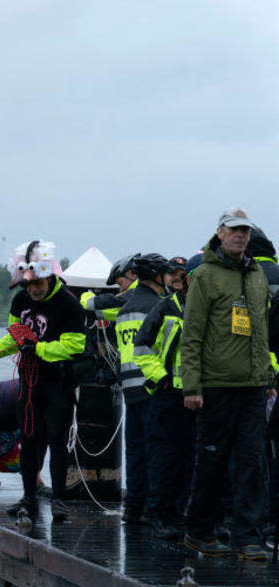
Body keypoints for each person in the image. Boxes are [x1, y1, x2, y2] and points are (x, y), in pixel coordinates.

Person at [181, 208, 272, 562]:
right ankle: (200, 530)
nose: (240, 236)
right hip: (216, 385)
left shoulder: (257, 274)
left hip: (253, 384)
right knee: (212, 462)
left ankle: (247, 537)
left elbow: (261, 330)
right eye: (234, 230)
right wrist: (192, 386)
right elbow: (192, 334)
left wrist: (268, 376)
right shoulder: (205, 275)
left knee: (251, 462)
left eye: (245, 231)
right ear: (219, 232)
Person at [0, 240, 86, 521]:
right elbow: (15, 335)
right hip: (30, 381)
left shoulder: (68, 304)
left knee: (57, 440)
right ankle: (29, 497)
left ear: (49, 277)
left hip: (58, 382)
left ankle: (60, 499)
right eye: (28, 285)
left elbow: (75, 345)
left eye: (38, 284)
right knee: (29, 439)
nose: (33, 290)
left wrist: (39, 348)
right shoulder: (20, 301)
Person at [134, 256, 194, 540]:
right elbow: (142, 347)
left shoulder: (204, 310)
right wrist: (161, 380)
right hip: (167, 395)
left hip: (196, 397)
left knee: (189, 459)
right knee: (164, 458)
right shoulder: (165, 308)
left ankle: (181, 513)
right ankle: (160, 514)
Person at [114, 253, 170, 526]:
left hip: (129, 389)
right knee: (156, 451)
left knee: (134, 452)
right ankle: (153, 510)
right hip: (152, 387)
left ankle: (133, 509)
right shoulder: (159, 306)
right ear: (157, 276)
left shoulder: (124, 309)